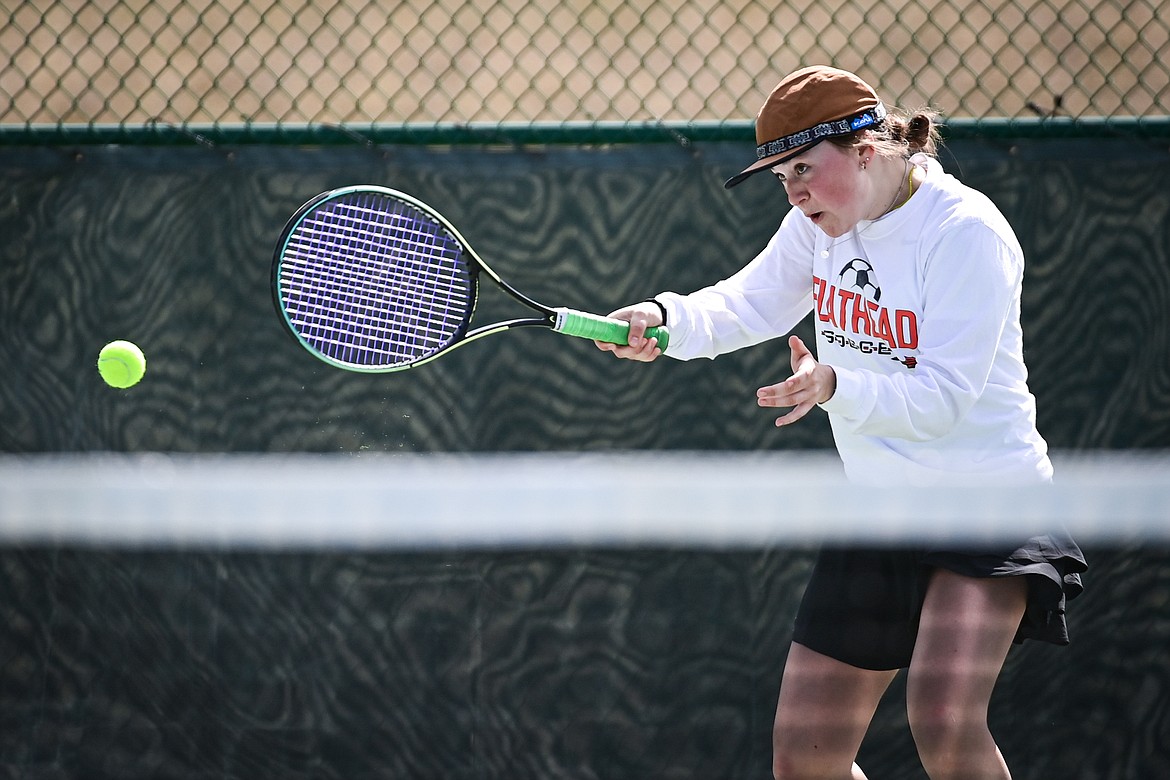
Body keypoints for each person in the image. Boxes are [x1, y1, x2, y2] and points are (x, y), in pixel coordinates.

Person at [596, 65, 1087, 779]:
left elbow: (945, 399)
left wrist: (834, 383)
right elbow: (746, 304)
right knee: (805, 759)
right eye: (779, 175)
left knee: (944, 718)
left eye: (804, 167)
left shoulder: (966, 233)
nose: (793, 191)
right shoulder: (816, 226)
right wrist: (663, 319)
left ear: (867, 149)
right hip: (882, 510)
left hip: (989, 507)